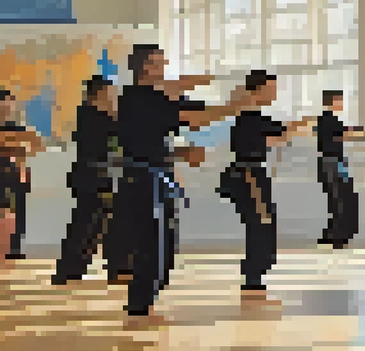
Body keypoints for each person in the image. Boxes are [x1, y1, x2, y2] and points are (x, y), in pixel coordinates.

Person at [108, 44, 249, 322]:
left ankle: (145, 302)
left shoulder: (155, 98)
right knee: (151, 242)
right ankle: (139, 306)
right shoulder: (138, 98)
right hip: (143, 180)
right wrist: (238, 105)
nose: (164, 68)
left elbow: (192, 119)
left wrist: (181, 153)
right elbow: (195, 117)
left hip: (155, 176)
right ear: (145, 67)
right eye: (159, 63)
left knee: (163, 241)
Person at [217, 70, 310, 303]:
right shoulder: (247, 117)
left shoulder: (253, 117)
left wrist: (295, 128)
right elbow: (275, 136)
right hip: (248, 175)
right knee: (261, 222)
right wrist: (295, 129)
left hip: (253, 173)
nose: (274, 94)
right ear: (256, 91)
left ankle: (256, 274)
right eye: (270, 89)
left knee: (263, 222)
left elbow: (277, 136)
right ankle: (253, 276)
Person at [53, 76, 119, 285]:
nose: (114, 98)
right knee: (85, 225)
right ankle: (69, 270)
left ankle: (75, 269)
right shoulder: (92, 116)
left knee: (95, 226)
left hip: (96, 177)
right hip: (91, 178)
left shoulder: (95, 116)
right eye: (111, 94)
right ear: (99, 94)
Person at [315, 89, 365, 248]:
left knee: (341, 197)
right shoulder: (327, 119)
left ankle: (339, 233)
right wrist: (360, 134)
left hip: (335, 162)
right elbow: (340, 134)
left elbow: (342, 132)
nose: (341, 104)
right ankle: (337, 234)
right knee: (340, 197)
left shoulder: (330, 120)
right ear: (332, 101)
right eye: (339, 100)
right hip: (332, 162)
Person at [0, 88, 42, 264]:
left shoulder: (19, 127)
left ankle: (15, 247)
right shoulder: (18, 131)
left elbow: (34, 145)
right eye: (4, 104)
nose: (8, 107)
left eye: (10, 104)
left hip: (16, 173)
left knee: (19, 210)